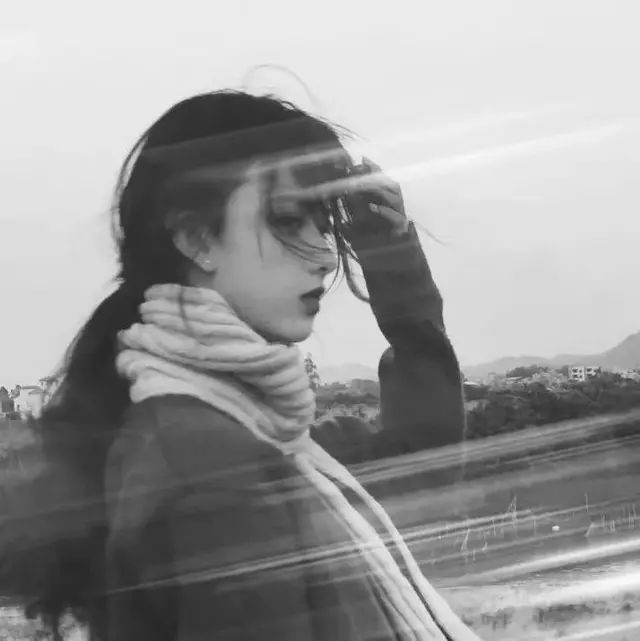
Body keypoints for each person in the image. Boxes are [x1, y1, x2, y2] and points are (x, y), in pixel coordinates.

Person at [0, 90, 478, 640]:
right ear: (197, 238)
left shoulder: (251, 441)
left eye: (324, 224)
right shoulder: (211, 474)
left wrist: (390, 256)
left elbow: (420, 451)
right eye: (289, 221)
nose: (326, 255)